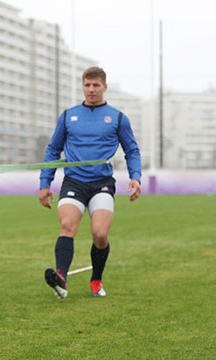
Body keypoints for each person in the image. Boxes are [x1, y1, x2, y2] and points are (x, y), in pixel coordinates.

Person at [38, 66, 141, 299]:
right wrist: (45, 183)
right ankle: (61, 280)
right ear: (82, 86)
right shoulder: (68, 116)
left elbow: (131, 150)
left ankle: (96, 279)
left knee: (100, 235)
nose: (91, 89)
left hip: (102, 183)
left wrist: (136, 177)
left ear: (104, 86)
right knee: (67, 226)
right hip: (74, 182)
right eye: (87, 85)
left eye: (96, 85)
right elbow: (53, 149)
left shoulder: (117, 118)